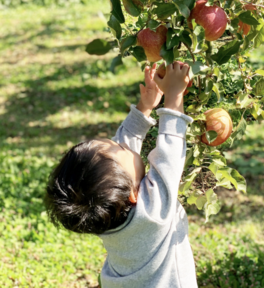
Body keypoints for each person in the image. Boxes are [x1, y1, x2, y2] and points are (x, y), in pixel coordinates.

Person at [44, 61, 198, 288]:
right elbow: (170, 153)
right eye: (122, 149)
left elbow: (124, 147)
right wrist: (174, 97)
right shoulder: (155, 213)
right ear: (133, 194)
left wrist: (145, 107)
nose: (122, 144)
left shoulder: (106, 215)